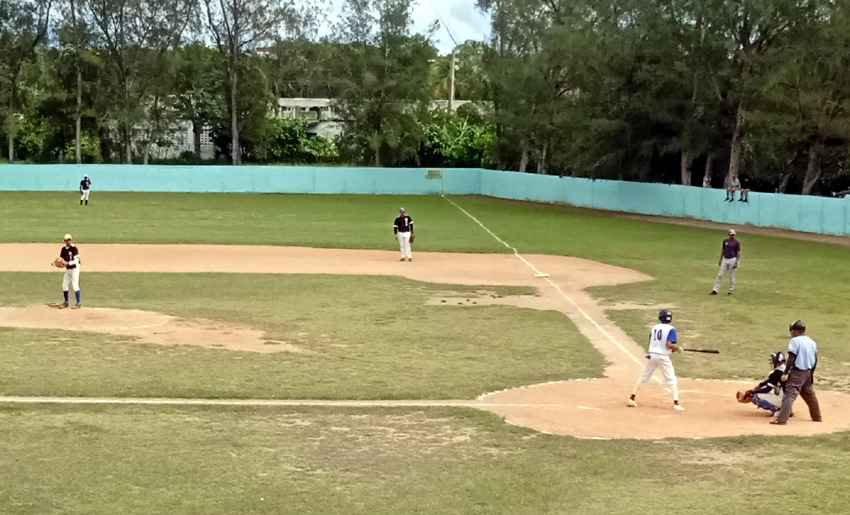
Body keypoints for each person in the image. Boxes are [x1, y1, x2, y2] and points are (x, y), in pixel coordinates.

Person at [627, 309, 685, 411]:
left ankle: (632, 398)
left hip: (652, 355)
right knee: (672, 380)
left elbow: (654, 343)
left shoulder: (654, 328)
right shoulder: (671, 329)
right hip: (663, 357)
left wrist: (673, 349)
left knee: (644, 376)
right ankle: (676, 404)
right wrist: (677, 348)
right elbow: (668, 345)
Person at [771, 320, 821, 425]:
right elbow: (815, 359)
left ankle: (781, 420)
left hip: (797, 372)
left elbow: (791, 358)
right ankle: (817, 417)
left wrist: (785, 372)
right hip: (808, 372)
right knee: (810, 395)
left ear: (795, 331)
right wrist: (811, 372)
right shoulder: (811, 341)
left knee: (789, 395)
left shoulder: (794, 341)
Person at [749, 352, 787, 416]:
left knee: (755, 397)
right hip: (789, 400)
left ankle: (777, 411)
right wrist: (760, 385)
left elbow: (767, 389)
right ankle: (787, 409)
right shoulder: (787, 369)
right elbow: (771, 380)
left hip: (782, 400)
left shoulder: (775, 373)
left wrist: (753, 392)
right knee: (775, 388)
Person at [711, 229, 740, 295]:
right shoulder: (725, 241)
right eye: (731, 235)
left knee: (731, 276)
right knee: (720, 275)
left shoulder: (736, 242)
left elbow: (738, 252)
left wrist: (736, 262)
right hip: (725, 259)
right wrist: (720, 259)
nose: (732, 236)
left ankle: (731, 290)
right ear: (729, 235)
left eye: (733, 235)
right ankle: (715, 289)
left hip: (732, 259)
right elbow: (723, 250)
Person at [59, 234, 82, 309]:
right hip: (68, 270)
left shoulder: (74, 248)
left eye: (69, 240)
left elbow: (77, 260)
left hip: (75, 269)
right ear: (64, 241)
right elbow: (61, 260)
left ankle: (78, 303)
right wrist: (57, 264)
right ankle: (66, 302)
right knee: (64, 285)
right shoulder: (63, 249)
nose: (68, 241)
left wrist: (68, 263)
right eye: (66, 240)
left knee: (75, 285)